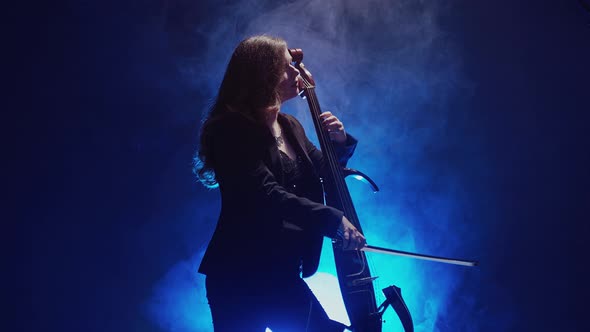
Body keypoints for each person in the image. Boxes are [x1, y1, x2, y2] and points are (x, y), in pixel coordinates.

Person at [194, 35, 366, 332]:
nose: (298, 73)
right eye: (288, 67)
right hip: (239, 276)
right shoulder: (228, 131)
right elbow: (266, 195)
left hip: (283, 273)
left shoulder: (290, 125)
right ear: (264, 73)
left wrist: (338, 143)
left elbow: (324, 172)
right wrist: (332, 219)